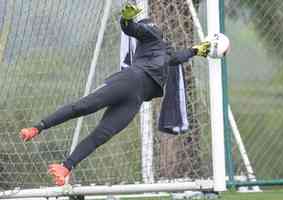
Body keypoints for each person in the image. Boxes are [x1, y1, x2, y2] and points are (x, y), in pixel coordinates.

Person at [19, 3, 229, 186]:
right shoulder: (150, 35)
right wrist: (126, 19)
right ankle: (37, 128)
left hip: (134, 100)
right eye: (148, 25)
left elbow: (178, 56)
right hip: (128, 81)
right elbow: (132, 29)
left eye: (151, 25)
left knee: (102, 135)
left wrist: (197, 50)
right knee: (83, 107)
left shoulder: (164, 52)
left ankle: (65, 167)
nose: (151, 27)